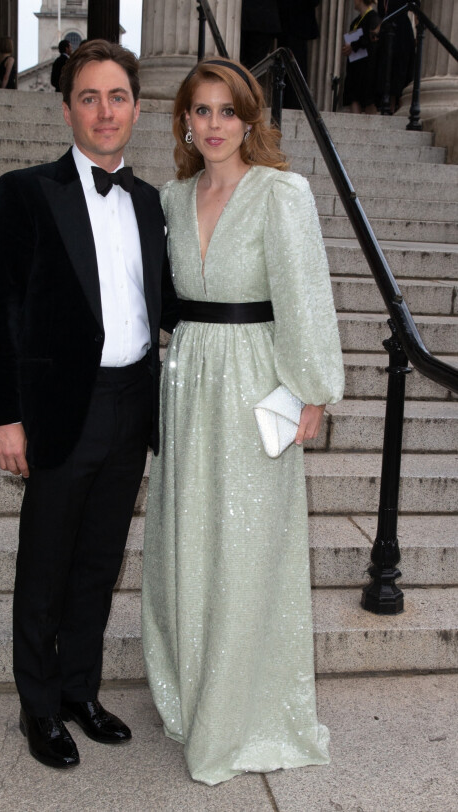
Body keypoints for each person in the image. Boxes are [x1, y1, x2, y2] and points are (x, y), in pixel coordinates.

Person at [0, 39, 178, 770]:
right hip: (62, 406)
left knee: (98, 560)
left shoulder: (152, 202)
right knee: (47, 563)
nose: (104, 110)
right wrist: (3, 415)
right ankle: (38, 706)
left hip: (131, 404)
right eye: (88, 97)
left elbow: (175, 306)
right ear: (67, 109)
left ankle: (80, 691)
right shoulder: (25, 191)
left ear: (137, 108)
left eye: (116, 96)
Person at [142, 57, 344, 786]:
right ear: (185, 123)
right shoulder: (170, 197)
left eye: (228, 111)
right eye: (201, 111)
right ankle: (196, 692)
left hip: (256, 376)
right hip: (188, 374)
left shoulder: (280, 193)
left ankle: (242, 712)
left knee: (248, 546)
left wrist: (314, 390)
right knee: (187, 537)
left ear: (250, 119)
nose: (215, 125)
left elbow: (304, 293)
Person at [374, 0, 415, 113]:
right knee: (386, 70)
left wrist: (418, 25)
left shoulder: (370, 15)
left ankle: (395, 107)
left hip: (401, 32)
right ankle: (388, 106)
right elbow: (383, 15)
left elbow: (416, 6)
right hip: (385, 34)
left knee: (398, 70)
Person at [342, 0, 381, 114]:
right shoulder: (356, 21)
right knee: (353, 97)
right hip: (354, 66)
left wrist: (353, 46)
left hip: (367, 67)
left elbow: (370, 39)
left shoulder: (373, 17)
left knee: (368, 100)